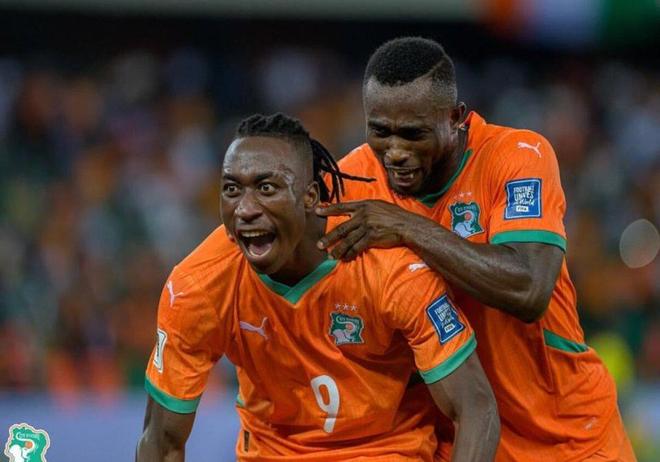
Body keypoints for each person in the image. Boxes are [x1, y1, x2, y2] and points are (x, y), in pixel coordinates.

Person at [317, 37, 636, 461]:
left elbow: (529, 289)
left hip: (566, 438)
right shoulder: (352, 180)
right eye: (380, 131)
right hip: (461, 439)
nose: (394, 151)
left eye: (413, 134)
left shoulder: (518, 156)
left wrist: (406, 226)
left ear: (456, 118)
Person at [136, 113, 500, 461]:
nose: (245, 209)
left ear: (310, 196)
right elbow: (161, 440)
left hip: (382, 451)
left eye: (266, 188)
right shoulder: (197, 287)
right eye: (231, 189)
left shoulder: (390, 271)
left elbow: (476, 408)